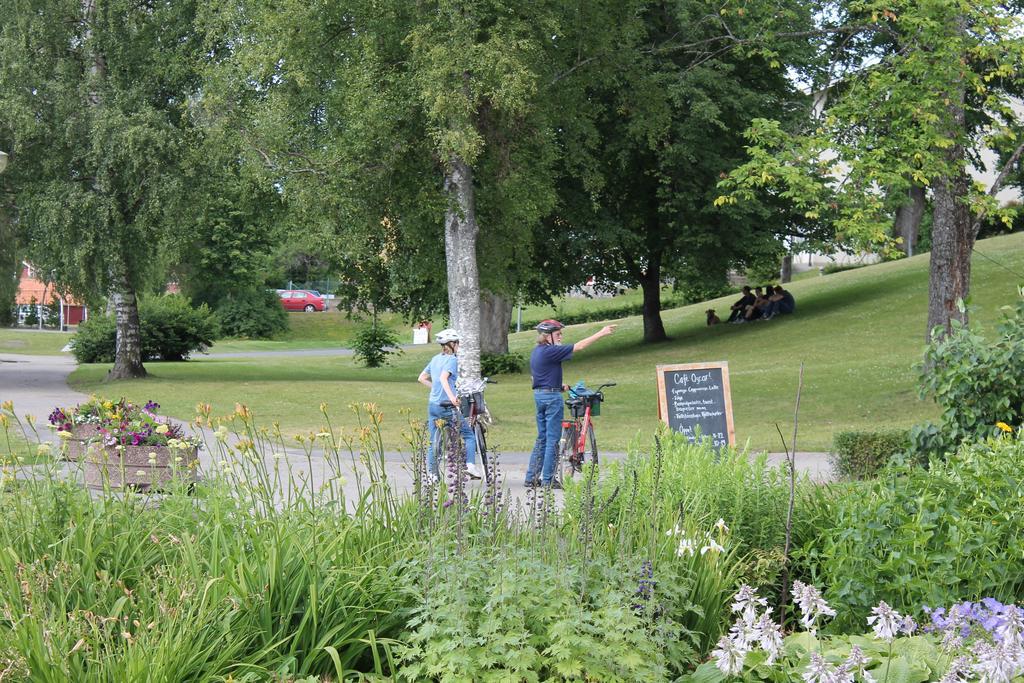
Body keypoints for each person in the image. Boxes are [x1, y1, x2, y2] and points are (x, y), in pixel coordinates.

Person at [525, 319, 617, 489]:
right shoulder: (550, 351)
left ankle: (531, 477)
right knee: (553, 439)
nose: (561, 337)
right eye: (558, 334)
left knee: (542, 437)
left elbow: (536, 377)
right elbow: (579, 346)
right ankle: (548, 479)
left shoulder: (536, 352)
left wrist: (559, 386)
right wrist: (601, 333)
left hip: (540, 395)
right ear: (547, 336)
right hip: (552, 399)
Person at [417, 329, 482, 481]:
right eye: (457, 343)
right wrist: (452, 398)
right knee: (468, 435)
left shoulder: (435, 359)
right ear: (451, 344)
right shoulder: (452, 359)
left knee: (433, 440)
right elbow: (444, 378)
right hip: (446, 406)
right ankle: (470, 466)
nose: (458, 346)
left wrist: (435, 389)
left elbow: (422, 378)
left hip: (433, 405)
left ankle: (432, 474)